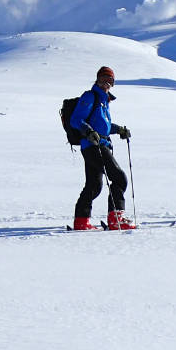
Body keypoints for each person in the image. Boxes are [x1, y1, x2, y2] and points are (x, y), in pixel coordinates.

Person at [69, 67, 134, 230]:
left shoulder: (104, 101)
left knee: (94, 186)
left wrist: (119, 129)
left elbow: (103, 126)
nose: (107, 82)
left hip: (98, 144)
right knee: (119, 178)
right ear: (97, 79)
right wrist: (88, 131)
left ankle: (81, 221)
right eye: (104, 78)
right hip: (93, 146)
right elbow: (76, 119)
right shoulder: (90, 96)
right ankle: (116, 219)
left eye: (110, 80)